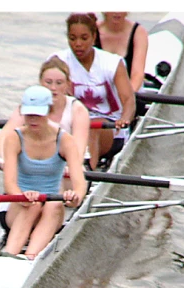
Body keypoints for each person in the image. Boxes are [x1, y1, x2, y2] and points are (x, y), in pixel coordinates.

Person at [0, 85, 87, 260]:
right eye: (28, 114)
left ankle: (30, 257)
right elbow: (9, 184)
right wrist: (21, 197)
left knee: (53, 203)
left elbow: (80, 183)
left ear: (49, 111)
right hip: (19, 209)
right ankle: (9, 254)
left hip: (51, 211)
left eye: (37, 114)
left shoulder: (65, 141)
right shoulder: (14, 138)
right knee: (33, 204)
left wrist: (75, 196)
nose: (32, 120)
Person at [50, 12, 135, 170]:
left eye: (84, 38)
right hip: (70, 124)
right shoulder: (58, 61)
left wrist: (125, 119)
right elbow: (46, 97)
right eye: (72, 38)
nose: (78, 44)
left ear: (94, 37)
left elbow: (129, 100)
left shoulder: (112, 63)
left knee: (90, 126)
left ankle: (86, 172)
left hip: (108, 128)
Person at [0, 56, 90, 173]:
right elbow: (5, 135)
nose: (53, 88)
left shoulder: (78, 110)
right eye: (48, 82)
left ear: (67, 84)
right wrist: (4, 158)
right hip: (35, 164)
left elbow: (78, 147)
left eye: (59, 83)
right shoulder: (28, 107)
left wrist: (71, 166)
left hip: (67, 166)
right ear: (41, 83)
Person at [95, 12, 149, 93]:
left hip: (130, 95)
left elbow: (137, 75)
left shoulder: (138, 32)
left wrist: (125, 99)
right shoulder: (91, 31)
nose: (117, 12)